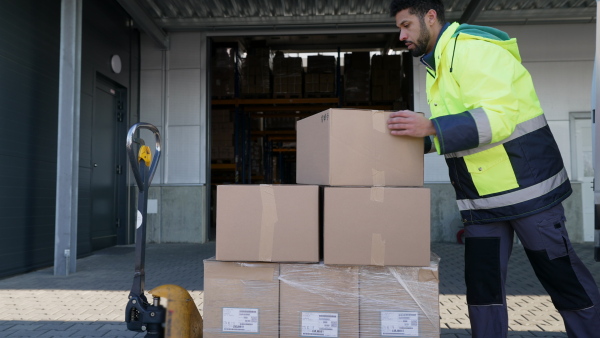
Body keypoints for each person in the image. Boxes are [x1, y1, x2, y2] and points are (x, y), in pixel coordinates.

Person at [387, 0, 600, 337]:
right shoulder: (438, 66)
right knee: (482, 291)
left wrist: (430, 128)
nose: (401, 35)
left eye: (406, 25)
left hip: (529, 194)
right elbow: (461, 132)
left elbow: (498, 119)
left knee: (564, 280)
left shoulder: (473, 51)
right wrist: (421, 141)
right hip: (481, 203)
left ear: (430, 17)